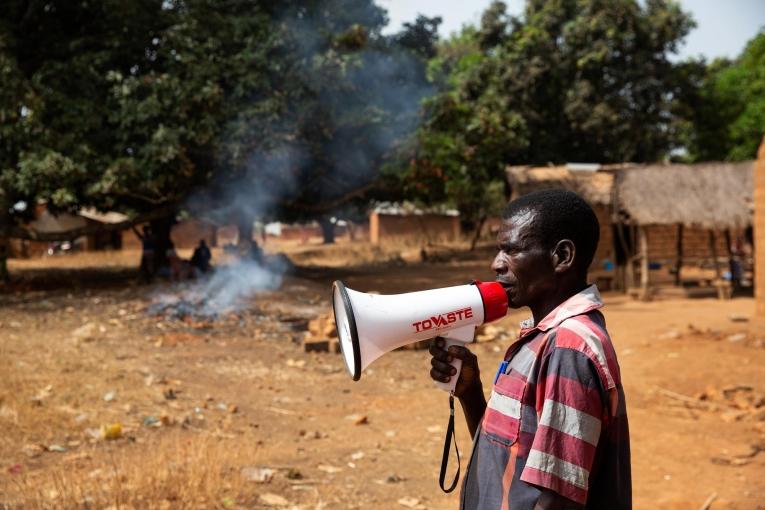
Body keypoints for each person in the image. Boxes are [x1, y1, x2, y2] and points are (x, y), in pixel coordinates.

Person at [430, 189, 631, 509]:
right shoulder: (542, 339)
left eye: (511, 251)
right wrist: (470, 394)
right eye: (499, 251)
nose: (496, 264)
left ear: (562, 256)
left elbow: (559, 499)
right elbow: (509, 457)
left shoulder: (568, 350)